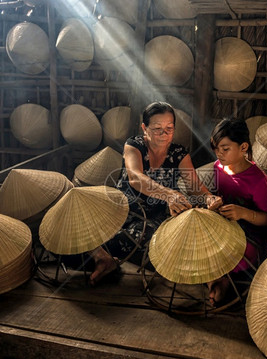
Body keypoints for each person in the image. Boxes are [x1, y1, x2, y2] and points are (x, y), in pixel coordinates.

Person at [89, 101, 222, 285]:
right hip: (120, 210)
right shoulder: (134, 145)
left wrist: (209, 198)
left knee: (145, 238)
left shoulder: (179, 153)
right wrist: (169, 195)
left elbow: (194, 186)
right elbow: (135, 178)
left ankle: (106, 258)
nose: (164, 133)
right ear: (144, 128)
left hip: (151, 218)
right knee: (83, 231)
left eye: (169, 128)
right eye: (157, 128)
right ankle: (103, 257)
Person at [207, 118, 267, 305]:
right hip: (223, 227)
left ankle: (220, 280)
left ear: (243, 147)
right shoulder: (218, 167)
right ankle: (219, 279)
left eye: (225, 149)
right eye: (216, 148)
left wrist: (243, 213)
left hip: (250, 236)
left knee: (218, 257)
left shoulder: (258, 180)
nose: (219, 153)